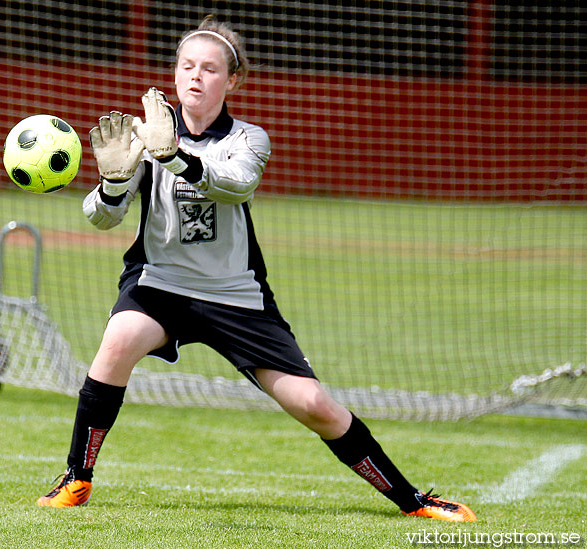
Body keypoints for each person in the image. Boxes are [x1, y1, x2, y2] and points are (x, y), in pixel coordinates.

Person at [37, 16, 476, 523]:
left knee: (313, 404)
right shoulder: (143, 134)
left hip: (236, 296)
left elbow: (233, 186)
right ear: (174, 75)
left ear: (233, 80)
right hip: (160, 284)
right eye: (186, 66)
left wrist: (174, 155)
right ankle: (77, 479)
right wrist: (114, 181)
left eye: (209, 68)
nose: (196, 76)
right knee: (116, 343)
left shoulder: (249, 138)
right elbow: (100, 217)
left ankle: (413, 500)